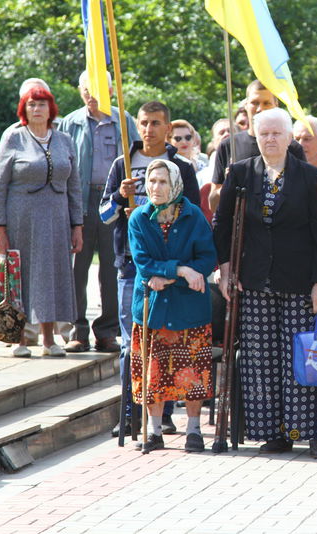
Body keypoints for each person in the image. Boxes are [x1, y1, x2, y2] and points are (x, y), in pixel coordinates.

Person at [214, 108, 317, 459]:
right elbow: (222, 227)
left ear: (289, 137)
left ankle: (310, 431)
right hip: (253, 281)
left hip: (299, 282)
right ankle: (274, 433)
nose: (270, 139)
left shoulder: (310, 177)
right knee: (260, 362)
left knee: (301, 357)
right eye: (263, 133)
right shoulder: (240, 174)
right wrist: (224, 268)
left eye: (276, 133)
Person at [100, 100, 201, 437]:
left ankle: (164, 412)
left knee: (169, 339)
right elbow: (102, 215)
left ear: (167, 127)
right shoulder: (122, 163)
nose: (148, 129)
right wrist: (119, 196)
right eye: (144, 123)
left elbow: (193, 214)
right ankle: (130, 412)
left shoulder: (181, 166)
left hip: (173, 269)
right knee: (133, 342)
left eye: (156, 123)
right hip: (132, 265)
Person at [127, 159, 216, 453]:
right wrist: (182, 272)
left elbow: (206, 259)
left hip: (189, 308)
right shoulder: (138, 218)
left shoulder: (193, 216)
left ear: (175, 184)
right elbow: (143, 264)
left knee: (192, 372)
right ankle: (154, 432)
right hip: (152, 308)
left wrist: (169, 275)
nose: (156, 187)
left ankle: (193, 430)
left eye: (163, 182)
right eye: (152, 181)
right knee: (153, 372)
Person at [0, 86, 83, 357]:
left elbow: (75, 185)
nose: (37, 109)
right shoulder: (13, 137)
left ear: (51, 109)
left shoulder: (64, 140)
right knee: (19, 276)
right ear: (24, 109)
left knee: (52, 274)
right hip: (21, 215)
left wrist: (76, 225)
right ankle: (19, 339)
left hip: (57, 217)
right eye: (32, 104)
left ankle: (49, 340)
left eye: (42, 104)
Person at [58, 70, 139, 354]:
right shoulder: (71, 122)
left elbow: (137, 157)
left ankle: (107, 331)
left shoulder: (124, 120)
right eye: (86, 89)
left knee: (111, 267)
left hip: (115, 199)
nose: (91, 95)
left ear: (111, 91)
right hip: (80, 198)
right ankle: (76, 330)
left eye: (98, 89)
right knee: (76, 269)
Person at [209, 80, 305, 211]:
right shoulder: (228, 145)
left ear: (276, 105)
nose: (260, 109)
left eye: (266, 103)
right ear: (246, 105)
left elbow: (304, 198)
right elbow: (213, 205)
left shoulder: (292, 147)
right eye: (255, 103)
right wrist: (229, 183)